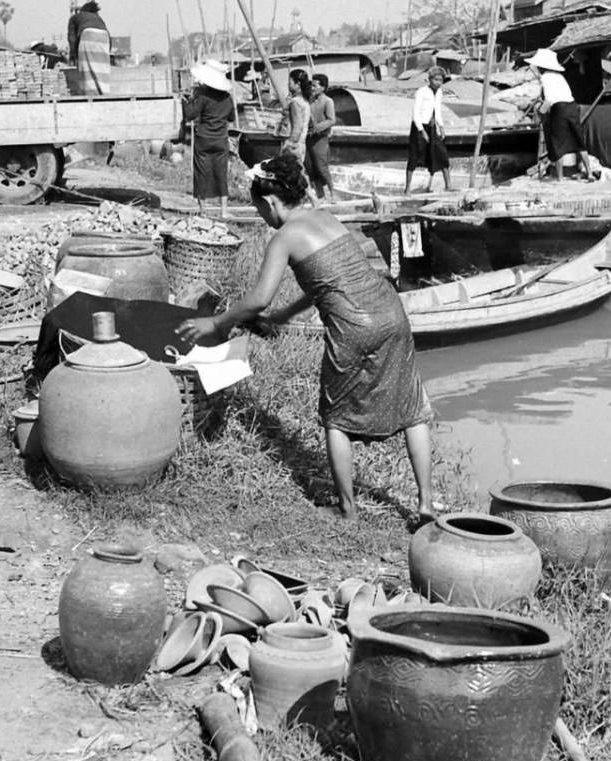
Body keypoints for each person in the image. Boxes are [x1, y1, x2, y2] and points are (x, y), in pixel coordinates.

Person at [175, 153, 435, 523]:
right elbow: (325, 281)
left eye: (259, 211)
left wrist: (219, 323)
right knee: (413, 410)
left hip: (353, 327)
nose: (263, 219)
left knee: (336, 417)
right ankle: (425, 505)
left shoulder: (285, 237)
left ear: (270, 202)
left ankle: (347, 510)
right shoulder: (327, 218)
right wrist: (283, 316)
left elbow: (259, 298)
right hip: (392, 313)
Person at [525, 47, 596, 181]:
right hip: (572, 107)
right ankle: (590, 173)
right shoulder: (559, 76)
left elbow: (550, 99)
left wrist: (540, 113)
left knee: (557, 143)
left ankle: (560, 178)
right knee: (579, 141)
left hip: (560, 108)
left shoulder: (545, 78)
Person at [183, 59, 235, 215]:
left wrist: (186, 101)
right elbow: (231, 117)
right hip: (220, 140)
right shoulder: (227, 98)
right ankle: (224, 211)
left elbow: (190, 115)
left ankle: (203, 210)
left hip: (204, 139)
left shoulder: (203, 97)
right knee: (221, 173)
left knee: (201, 172)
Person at [405, 65, 452, 193]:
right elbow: (415, 114)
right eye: (436, 80)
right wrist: (422, 131)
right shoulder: (421, 92)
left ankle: (448, 186)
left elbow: (437, 110)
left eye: (440, 80)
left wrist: (441, 126)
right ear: (430, 80)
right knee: (414, 157)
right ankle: (407, 189)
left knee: (442, 154)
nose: (438, 83)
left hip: (432, 127)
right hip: (419, 127)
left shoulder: (439, 93)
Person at [67, 1, 111, 94]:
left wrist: (73, 55)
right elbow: (108, 35)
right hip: (104, 38)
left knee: (86, 67)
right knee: (101, 67)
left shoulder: (75, 17)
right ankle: (104, 92)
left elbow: (72, 38)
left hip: (88, 35)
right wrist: (108, 52)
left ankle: (90, 93)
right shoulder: (99, 18)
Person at [305, 73, 336, 202]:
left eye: (315, 85)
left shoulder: (328, 101)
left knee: (321, 167)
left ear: (323, 88)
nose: (312, 88)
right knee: (311, 168)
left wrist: (317, 128)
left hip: (320, 139)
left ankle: (332, 193)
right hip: (309, 138)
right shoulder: (310, 100)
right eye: (311, 85)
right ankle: (320, 195)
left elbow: (331, 120)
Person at [278, 68, 310, 163]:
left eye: (290, 82)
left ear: (298, 84)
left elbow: (297, 126)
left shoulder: (295, 102)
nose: (288, 85)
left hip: (294, 145)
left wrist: (289, 144)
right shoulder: (304, 101)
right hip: (300, 143)